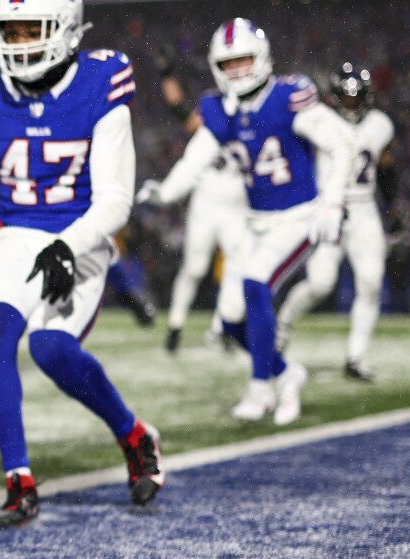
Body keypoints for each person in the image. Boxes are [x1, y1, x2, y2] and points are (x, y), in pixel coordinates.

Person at [0, 0, 165, 527]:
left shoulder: (101, 81)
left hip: (82, 233)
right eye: (12, 30)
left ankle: (134, 435)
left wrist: (70, 245)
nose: (22, 41)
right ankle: (18, 480)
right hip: (16, 231)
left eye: (34, 29)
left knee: (50, 350)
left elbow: (116, 199)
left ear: (67, 30)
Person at [138, 18, 353, 425]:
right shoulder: (218, 109)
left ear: (263, 59)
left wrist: (333, 202)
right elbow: (194, 159)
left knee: (255, 282)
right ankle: (286, 372)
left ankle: (260, 390)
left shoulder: (287, 97)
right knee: (231, 322)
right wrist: (166, 191)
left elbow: (341, 142)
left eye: (244, 61)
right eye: (229, 63)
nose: (237, 71)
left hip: (298, 217)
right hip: (255, 221)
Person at [275, 63, 396, 382]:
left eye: (355, 98)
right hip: (329, 208)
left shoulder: (380, 125)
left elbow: (386, 167)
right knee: (320, 284)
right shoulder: (318, 120)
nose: (350, 104)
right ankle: (282, 326)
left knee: (370, 284)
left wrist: (393, 210)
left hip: (364, 209)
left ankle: (355, 357)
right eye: (345, 97)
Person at [150, 43, 250, 354]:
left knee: (239, 268)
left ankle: (224, 327)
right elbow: (181, 112)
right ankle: (176, 326)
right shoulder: (212, 106)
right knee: (194, 267)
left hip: (239, 206)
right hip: (207, 202)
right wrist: (167, 74)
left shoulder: (259, 109)